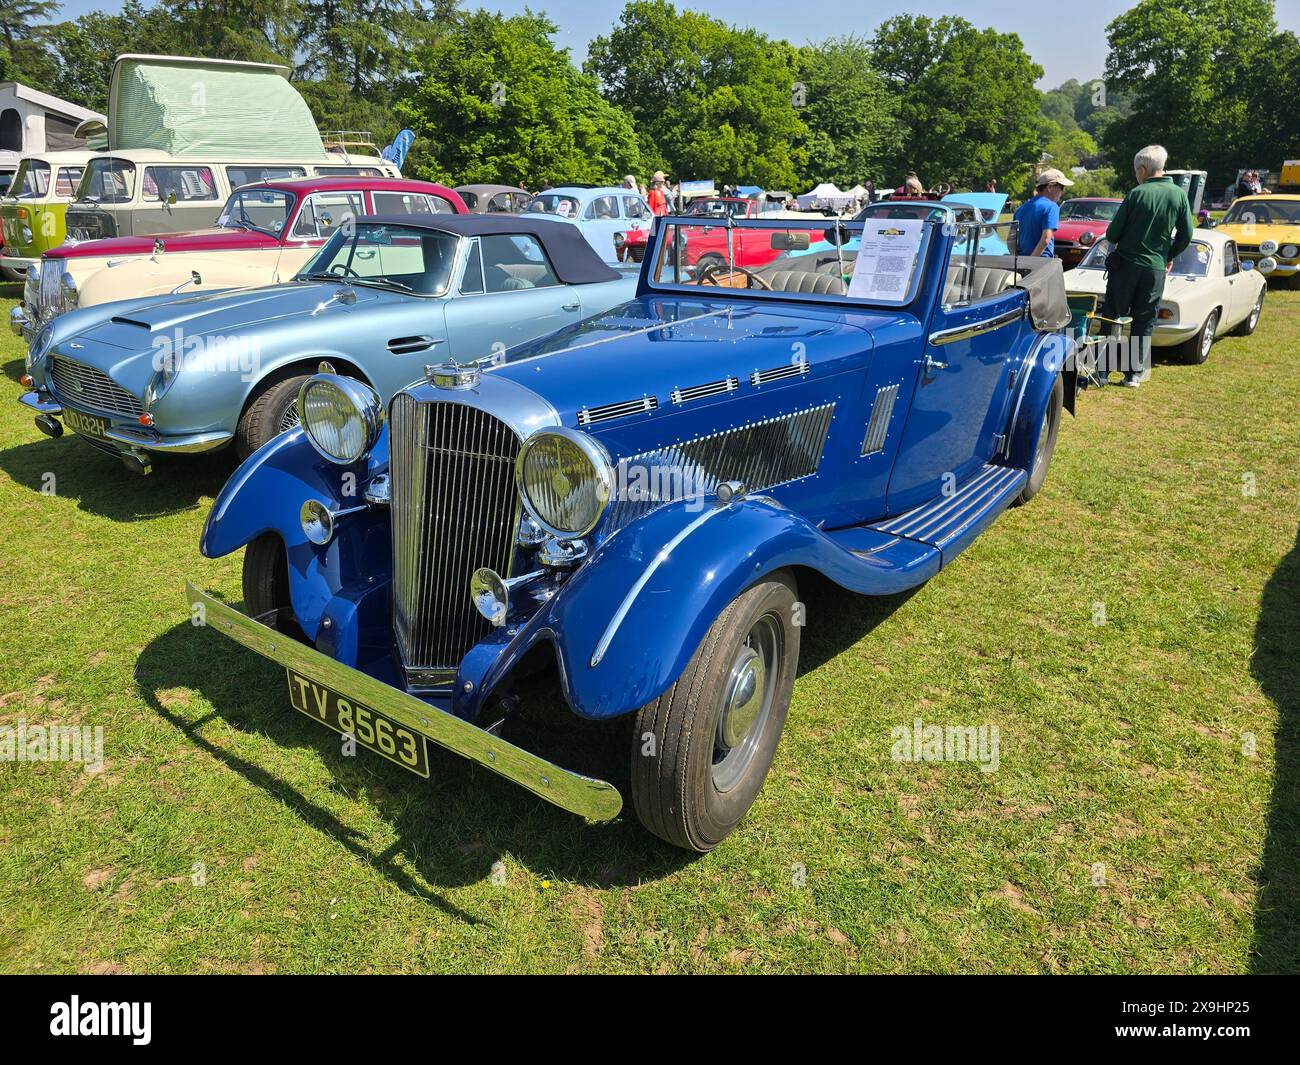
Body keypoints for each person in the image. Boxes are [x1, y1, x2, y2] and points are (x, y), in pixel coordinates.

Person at [1101, 144, 1195, 388]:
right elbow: (1186, 234)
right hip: (1155, 268)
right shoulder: (1179, 195)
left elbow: (1112, 234)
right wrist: (1168, 254)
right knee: (1144, 320)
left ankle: (1102, 371)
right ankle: (1133, 375)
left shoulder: (1136, 194)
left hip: (1126, 266)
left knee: (1113, 316)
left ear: (1143, 170)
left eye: (1136, 172)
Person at [1014, 168, 1073, 258]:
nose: (1062, 191)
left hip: (1021, 262)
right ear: (1049, 187)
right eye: (1061, 187)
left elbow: (1011, 240)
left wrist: (1020, 260)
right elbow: (1046, 239)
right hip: (1041, 263)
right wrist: (1030, 261)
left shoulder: (1020, 209)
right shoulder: (1052, 207)